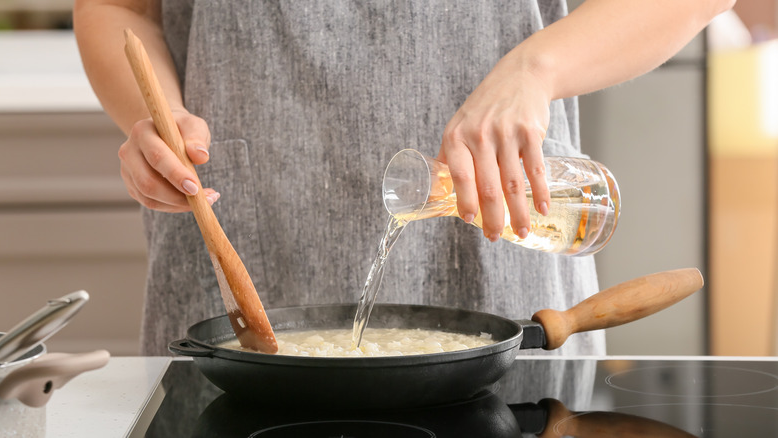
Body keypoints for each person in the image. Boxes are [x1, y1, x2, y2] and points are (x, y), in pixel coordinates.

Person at [73, 0, 734, 356]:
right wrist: (157, 118)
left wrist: (538, 69)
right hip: (230, 260)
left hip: (499, 255)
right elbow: (117, 8)